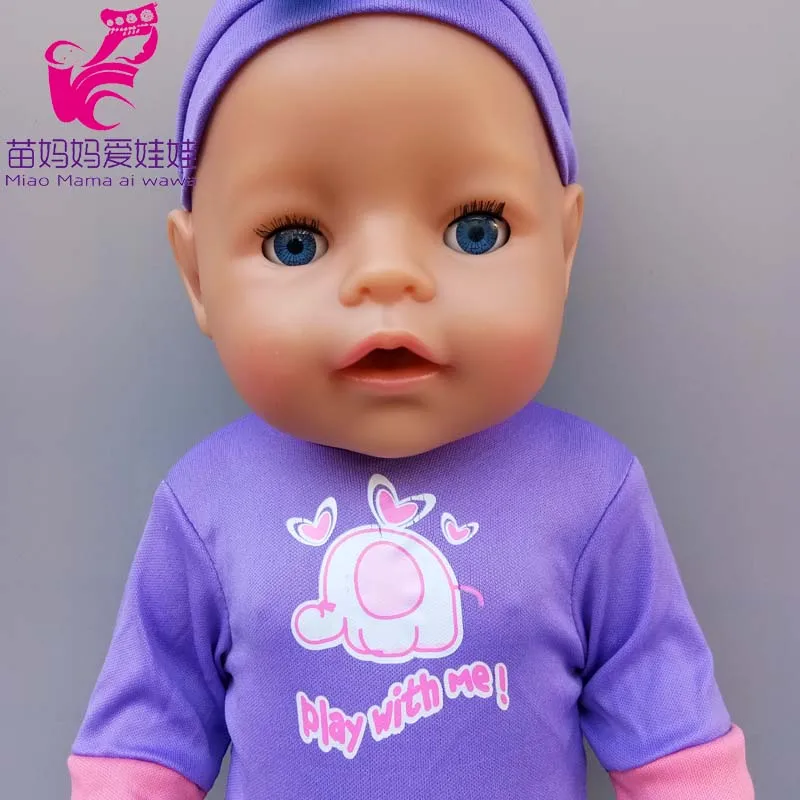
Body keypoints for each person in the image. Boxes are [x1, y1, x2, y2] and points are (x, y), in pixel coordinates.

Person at [68, 2, 755, 798]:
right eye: (296, 242)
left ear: (565, 247)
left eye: (476, 229)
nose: (387, 277)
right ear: (197, 276)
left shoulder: (593, 493)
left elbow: (675, 747)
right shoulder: (206, 505)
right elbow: (143, 747)